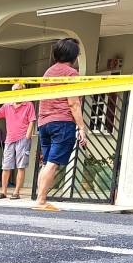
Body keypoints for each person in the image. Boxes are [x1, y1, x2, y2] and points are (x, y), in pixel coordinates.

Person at [33, 38, 89, 212]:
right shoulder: (71, 74)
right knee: (54, 163)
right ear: (74, 56)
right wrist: (81, 127)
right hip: (62, 122)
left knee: (47, 162)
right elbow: (73, 103)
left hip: (44, 122)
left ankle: (39, 197)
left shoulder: (48, 72)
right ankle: (41, 201)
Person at [0, 83, 36, 200]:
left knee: (21, 166)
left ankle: (16, 192)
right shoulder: (7, 105)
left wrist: (28, 135)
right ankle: (3, 192)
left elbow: (32, 120)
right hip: (9, 139)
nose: (16, 92)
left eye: (18, 90)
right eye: (14, 90)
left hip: (23, 138)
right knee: (6, 167)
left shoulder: (29, 105)